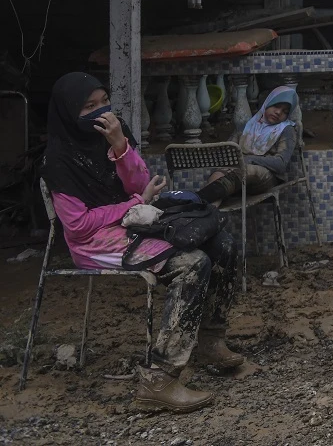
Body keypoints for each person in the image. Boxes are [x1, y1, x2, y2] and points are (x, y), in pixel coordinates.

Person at [41, 72, 242, 413]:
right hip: (94, 241)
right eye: (89, 106)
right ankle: (159, 381)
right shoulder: (58, 161)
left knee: (220, 242)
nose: (101, 112)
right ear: (68, 113)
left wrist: (120, 147)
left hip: (133, 223)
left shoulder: (113, 135)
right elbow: (77, 226)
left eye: (104, 102)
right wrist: (133, 204)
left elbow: (140, 182)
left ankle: (210, 340)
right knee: (191, 263)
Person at [198, 86, 300, 205]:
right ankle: (206, 213)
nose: (279, 112)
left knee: (246, 170)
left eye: (285, 111)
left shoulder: (286, 130)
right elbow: (228, 151)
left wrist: (250, 159)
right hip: (237, 176)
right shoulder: (248, 125)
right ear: (267, 103)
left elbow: (281, 164)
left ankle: (194, 200)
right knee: (218, 174)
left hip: (266, 177)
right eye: (276, 106)